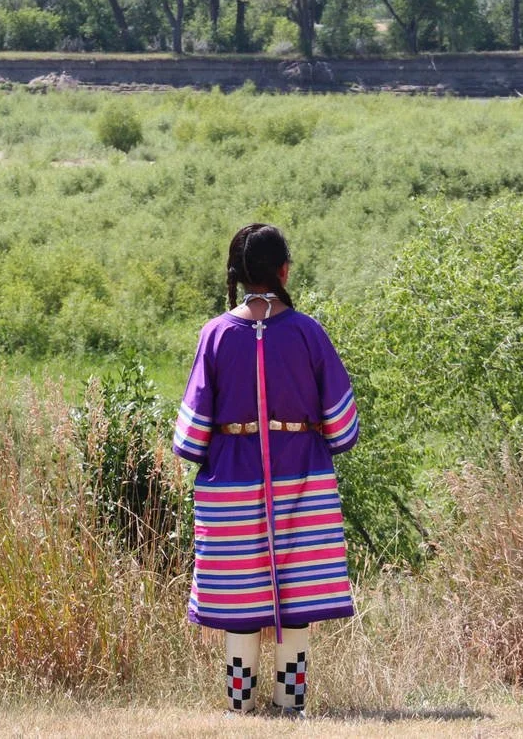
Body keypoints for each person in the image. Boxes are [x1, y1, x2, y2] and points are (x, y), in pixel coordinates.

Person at [172, 223, 360, 715]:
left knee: (241, 598)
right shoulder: (308, 331)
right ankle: (290, 704)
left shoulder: (215, 334)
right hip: (302, 477)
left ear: (236, 274)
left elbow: (190, 436)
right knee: (295, 596)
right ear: (283, 271)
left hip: (231, 482)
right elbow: (342, 425)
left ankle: (240, 706)